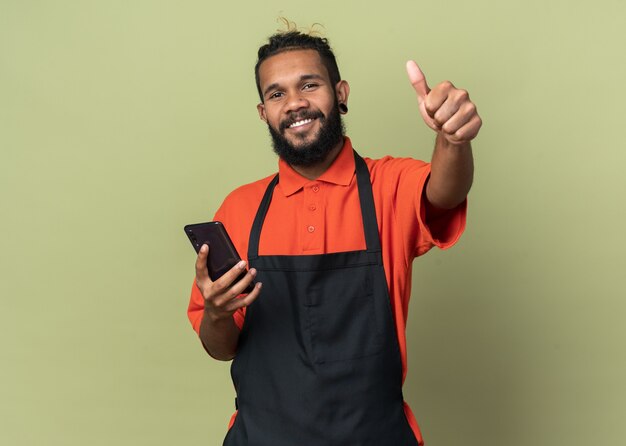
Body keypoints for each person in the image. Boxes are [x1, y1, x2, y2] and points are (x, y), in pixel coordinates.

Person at [187, 27, 481, 446]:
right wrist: (216, 313)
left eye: (309, 84)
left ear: (340, 93)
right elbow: (220, 347)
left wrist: (452, 139)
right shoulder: (239, 209)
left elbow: (445, 192)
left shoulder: (389, 185)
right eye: (277, 94)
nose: (295, 104)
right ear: (263, 112)